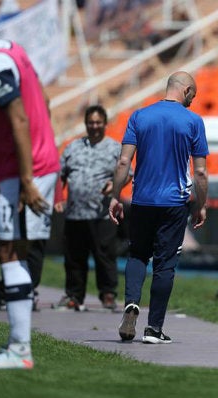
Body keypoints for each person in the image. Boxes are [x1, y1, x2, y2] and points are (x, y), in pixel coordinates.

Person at [109, 71, 209, 344]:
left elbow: (123, 164)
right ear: (187, 90)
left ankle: (131, 304)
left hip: (142, 200)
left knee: (138, 255)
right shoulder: (193, 121)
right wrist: (201, 205)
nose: (192, 101)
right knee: (165, 266)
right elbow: (200, 173)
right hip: (174, 203)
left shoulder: (139, 116)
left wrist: (116, 196)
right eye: (193, 96)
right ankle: (153, 329)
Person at [0, 39, 60, 369]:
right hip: (27, 163)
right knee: (10, 248)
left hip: (23, 169)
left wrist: (26, 178)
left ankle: (20, 350)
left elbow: (19, 119)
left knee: (10, 250)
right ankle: (17, 347)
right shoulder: (14, 49)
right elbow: (44, 101)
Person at [54, 105, 131, 311]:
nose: (94, 126)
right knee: (74, 257)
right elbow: (59, 175)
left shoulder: (115, 148)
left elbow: (128, 173)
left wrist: (115, 185)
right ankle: (74, 295)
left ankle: (108, 294)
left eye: (98, 122)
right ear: (86, 124)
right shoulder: (73, 147)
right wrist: (58, 198)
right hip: (75, 213)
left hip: (103, 213)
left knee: (105, 255)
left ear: (105, 123)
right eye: (91, 123)